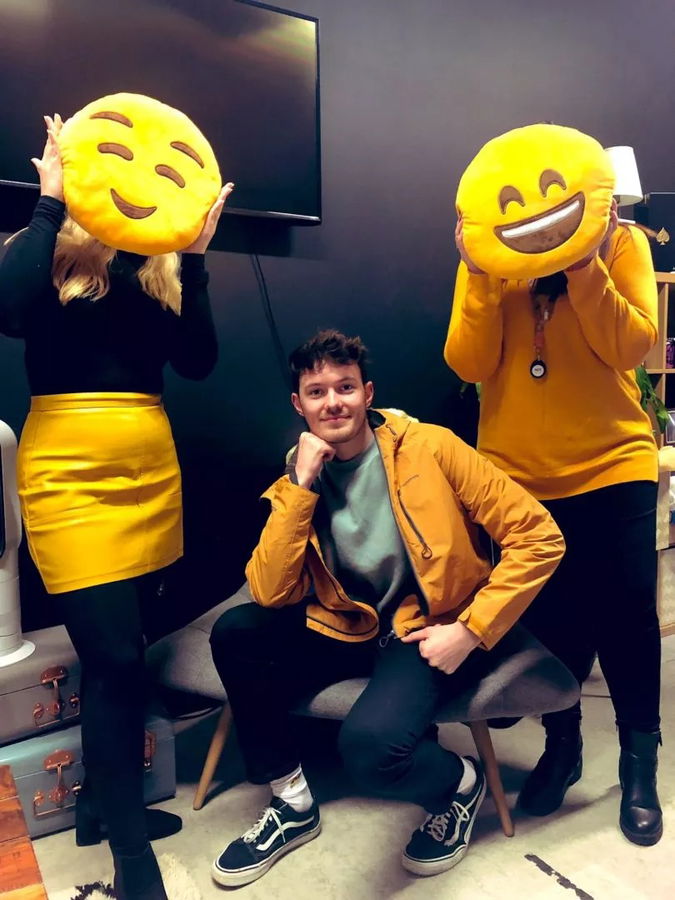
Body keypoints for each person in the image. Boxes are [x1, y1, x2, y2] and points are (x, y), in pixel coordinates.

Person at [208, 329, 565, 887]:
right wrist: (299, 484)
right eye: (318, 392)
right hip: (348, 623)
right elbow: (271, 592)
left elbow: (539, 536)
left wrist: (470, 630)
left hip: (425, 628)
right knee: (236, 632)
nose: (334, 403)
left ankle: (459, 785)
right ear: (298, 405)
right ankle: (292, 803)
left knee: (371, 751)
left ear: (368, 393)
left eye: (345, 387)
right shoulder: (301, 465)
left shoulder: (431, 446)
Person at [0, 115, 232, 900]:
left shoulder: (159, 266)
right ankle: (132, 862)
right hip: (67, 470)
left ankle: (102, 808)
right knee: (117, 662)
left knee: (128, 646)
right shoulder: (50, 253)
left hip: (147, 466)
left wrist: (194, 261)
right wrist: (48, 199)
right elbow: (4, 307)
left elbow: (199, 363)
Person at [445, 202, 664, 846]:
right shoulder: (491, 255)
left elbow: (632, 344)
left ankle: (638, 766)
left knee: (627, 619)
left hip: (613, 463)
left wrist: (583, 261)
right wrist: (479, 272)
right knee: (549, 624)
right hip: (517, 476)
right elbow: (468, 362)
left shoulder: (620, 242)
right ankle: (562, 748)